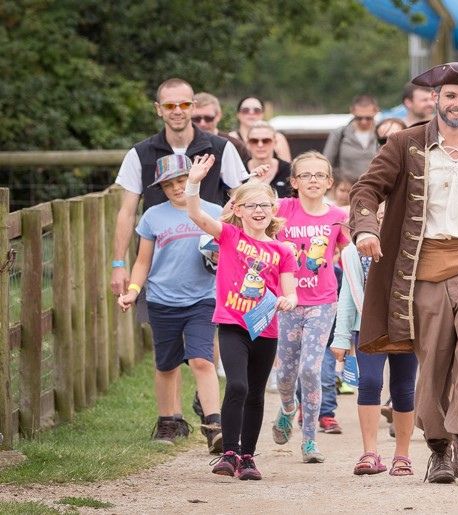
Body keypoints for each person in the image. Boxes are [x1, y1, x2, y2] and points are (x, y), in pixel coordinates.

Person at [349, 62, 458, 484]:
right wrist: (364, 229)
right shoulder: (405, 143)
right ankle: (439, 450)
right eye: (450, 96)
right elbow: (366, 189)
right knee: (434, 362)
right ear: (436, 99)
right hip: (424, 268)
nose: (457, 103)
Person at [111, 78, 249, 437]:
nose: (177, 112)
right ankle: (170, 419)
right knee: (167, 354)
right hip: (162, 267)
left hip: (211, 263)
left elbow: (244, 197)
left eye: (184, 105)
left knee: (207, 344)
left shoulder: (220, 148)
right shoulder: (141, 154)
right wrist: (118, 265)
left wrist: (249, 250)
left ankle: (210, 412)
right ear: (159, 109)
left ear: (193, 107)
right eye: (169, 106)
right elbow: (126, 211)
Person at [185, 155, 298, 481]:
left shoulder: (283, 251)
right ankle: (230, 452)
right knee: (237, 384)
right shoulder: (230, 237)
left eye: (264, 205)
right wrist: (194, 182)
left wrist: (288, 300)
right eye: (251, 206)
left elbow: (290, 291)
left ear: (273, 209)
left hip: (266, 328)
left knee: (256, 393)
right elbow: (195, 214)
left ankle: (248, 457)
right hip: (234, 324)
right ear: (237, 210)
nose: (259, 211)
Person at [116, 155, 223, 452]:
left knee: (202, 360)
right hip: (162, 300)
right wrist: (134, 291)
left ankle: (214, 426)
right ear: (161, 188)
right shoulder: (152, 216)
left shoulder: (213, 212)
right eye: (170, 184)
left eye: (182, 180)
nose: (177, 188)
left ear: (195, 178)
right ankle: (168, 421)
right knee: (166, 365)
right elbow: (142, 262)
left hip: (203, 298)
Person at [269, 151, 349, 463]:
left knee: (311, 369)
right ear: (294, 182)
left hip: (323, 300)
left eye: (319, 175)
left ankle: (310, 441)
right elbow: (246, 219)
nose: (313, 180)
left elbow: (345, 252)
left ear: (330, 182)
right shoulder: (280, 209)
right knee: (286, 373)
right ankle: (288, 407)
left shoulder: (337, 217)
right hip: (287, 301)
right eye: (305, 175)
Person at [330, 202, 419, 476]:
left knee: (403, 388)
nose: (383, 222)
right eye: (378, 217)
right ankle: (370, 452)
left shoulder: (413, 251)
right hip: (367, 326)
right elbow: (347, 296)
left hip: (404, 326)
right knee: (369, 382)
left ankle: (402, 455)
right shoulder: (354, 254)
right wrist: (341, 337)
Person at [323, 95, 381, 182]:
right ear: (352, 111)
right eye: (359, 118)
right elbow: (326, 163)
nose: (363, 122)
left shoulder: (383, 133)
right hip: (346, 189)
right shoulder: (339, 133)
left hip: (377, 188)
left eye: (368, 118)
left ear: (376, 111)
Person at [192, 92, 250, 163]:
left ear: (218, 116)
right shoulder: (181, 145)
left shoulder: (235, 145)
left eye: (208, 118)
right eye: (196, 119)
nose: (202, 123)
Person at [229, 96, 292, 162]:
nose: (251, 113)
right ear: (238, 114)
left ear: (263, 114)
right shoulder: (231, 138)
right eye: (245, 110)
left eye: (256, 110)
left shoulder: (278, 138)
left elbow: (287, 168)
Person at [244, 121, 292, 198]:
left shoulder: (290, 170)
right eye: (254, 141)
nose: (260, 145)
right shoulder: (239, 171)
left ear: (275, 143)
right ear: (248, 144)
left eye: (266, 141)